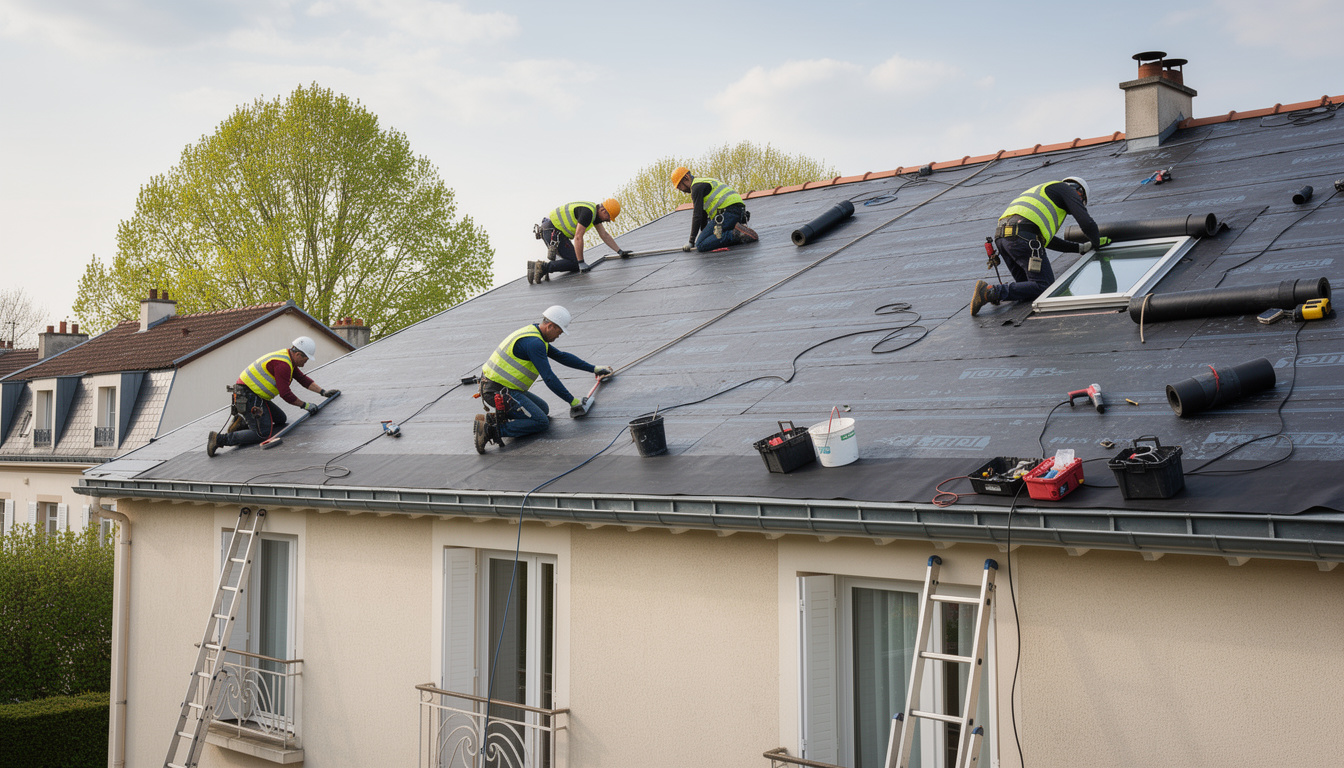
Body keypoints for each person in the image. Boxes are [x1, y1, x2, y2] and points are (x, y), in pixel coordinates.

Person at [475, 305, 613, 453]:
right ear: (550, 326)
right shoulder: (535, 344)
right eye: (558, 332)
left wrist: (593, 368)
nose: (558, 336)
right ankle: (491, 430)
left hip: (504, 388)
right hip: (498, 392)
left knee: (543, 409)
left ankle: (497, 417)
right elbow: (549, 377)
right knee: (540, 422)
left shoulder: (535, 333)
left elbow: (561, 356)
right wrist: (572, 401)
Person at [972, 176, 1111, 316]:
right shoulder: (1065, 189)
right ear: (1079, 192)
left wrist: (1080, 248)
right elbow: (1086, 222)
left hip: (1003, 239)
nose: (1079, 204)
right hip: (1021, 238)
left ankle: (995, 293)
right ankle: (990, 291)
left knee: (1029, 290)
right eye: (1081, 201)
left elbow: (1047, 240)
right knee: (1044, 285)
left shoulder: (1044, 195)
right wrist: (1096, 242)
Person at [206, 336, 338, 455]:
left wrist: (323, 392)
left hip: (255, 395)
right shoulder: (283, 365)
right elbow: (285, 394)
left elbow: (302, 379)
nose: (306, 362)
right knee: (262, 433)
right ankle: (219, 439)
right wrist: (306, 405)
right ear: (298, 354)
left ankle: (243, 423)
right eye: (306, 358)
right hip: (247, 395)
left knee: (281, 419)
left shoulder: (288, 358)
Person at [529, 199, 630, 283]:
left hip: (551, 230)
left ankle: (539, 267)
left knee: (573, 261)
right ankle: (541, 267)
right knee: (574, 262)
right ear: (603, 211)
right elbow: (578, 237)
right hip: (552, 231)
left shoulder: (593, 213)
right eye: (608, 218)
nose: (607, 221)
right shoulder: (588, 213)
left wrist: (619, 251)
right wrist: (581, 262)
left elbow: (604, 235)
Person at [670, 166, 758, 252]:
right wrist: (705, 234)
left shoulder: (696, 188)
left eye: (680, 186)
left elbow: (697, 216)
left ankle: (736, 234)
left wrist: (691, 241)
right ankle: (740, 230)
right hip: (738, 213)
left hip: (728, 213)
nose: (682, 190)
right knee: (707, 239)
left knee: (701, 244)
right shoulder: (702, 182)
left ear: (686, 177)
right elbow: (703, 216)